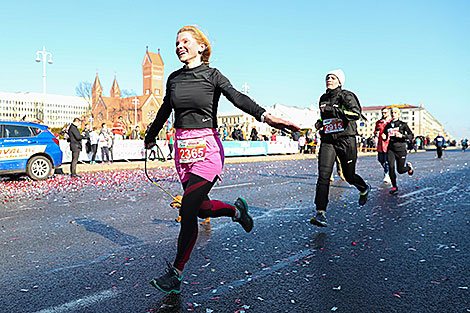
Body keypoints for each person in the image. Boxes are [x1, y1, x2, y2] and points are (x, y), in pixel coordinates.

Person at [144, 25, 300, 294]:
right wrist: (150, 136)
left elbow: (237, 98)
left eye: (185, 41)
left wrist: (265, 116)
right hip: (182, 151)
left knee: (188, 210)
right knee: (202, 208)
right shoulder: (173, 79)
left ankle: (176, 275)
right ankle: (237, 211)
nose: (179, 46)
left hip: (207, 149)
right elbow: (164, 110)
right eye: (176, 42)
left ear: (201, 47)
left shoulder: (212, 75)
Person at [310, 69, 371, 228]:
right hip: (328, 140)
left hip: (346, 139)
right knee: (323, 176)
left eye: (332, 77)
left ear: (339, 81)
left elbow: (355, 114)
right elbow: (325, 117)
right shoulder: (322, 98)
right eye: (327, 77)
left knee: (349, 175)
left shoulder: (347, 95)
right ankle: (320, 212)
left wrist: (335, 110)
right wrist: (320, 122)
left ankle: (364, 188)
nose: (329, 79)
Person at [382, 107, 414, 194]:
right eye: (392, 112)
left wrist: (402, 136)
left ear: (399, 114)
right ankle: (394, 186)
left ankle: (408, 168)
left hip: (401, 149)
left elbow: (411, 135)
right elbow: (384, 135)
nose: (393, 114)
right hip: (391, 149)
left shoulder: (403, 124)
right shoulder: (388, 125)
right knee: (391, 168)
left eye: (395, 112)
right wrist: (384, 137)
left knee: (400, 170)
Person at [374, 107, 391, 184]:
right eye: (382, 113)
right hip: (380, 144)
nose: (384, 114)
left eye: (385, 113)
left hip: (388, 144)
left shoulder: (391, 122)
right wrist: (376, 133)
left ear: (388, 113)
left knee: (387, 161)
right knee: (380, 159)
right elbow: (376, 130)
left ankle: (387, 174)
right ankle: (388, 170)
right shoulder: (379, 122)